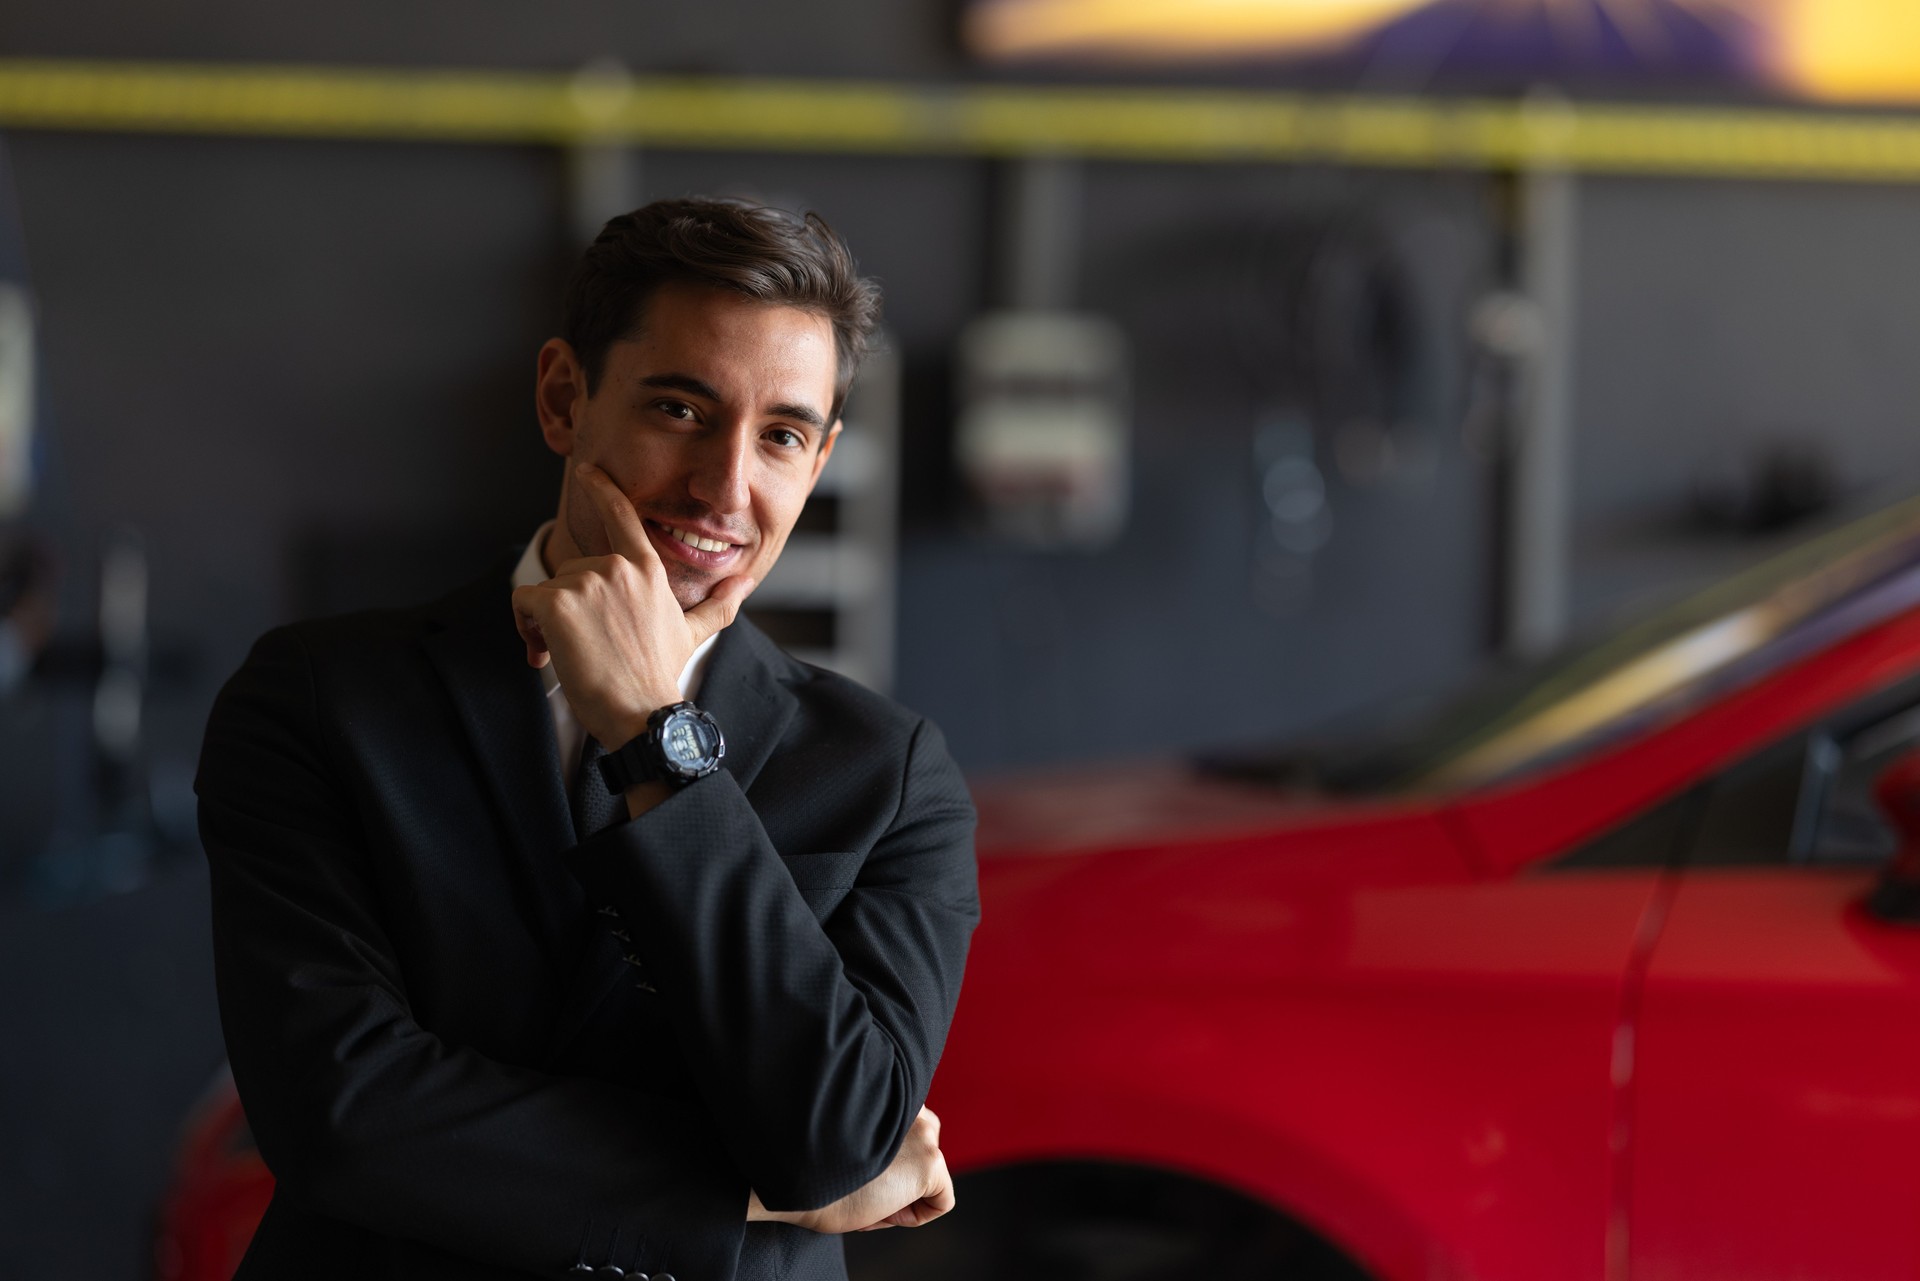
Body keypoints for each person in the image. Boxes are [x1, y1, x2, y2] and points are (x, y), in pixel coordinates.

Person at [196, 198, 980, 1281]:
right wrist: (748, 1196)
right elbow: (344, 1110)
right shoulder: (321, 697)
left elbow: (836, 1139)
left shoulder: (890, 778)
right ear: (565, 397)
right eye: (680, 407)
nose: (724, 486)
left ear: (822, 457)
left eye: (782, 437)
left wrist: (655, 734)